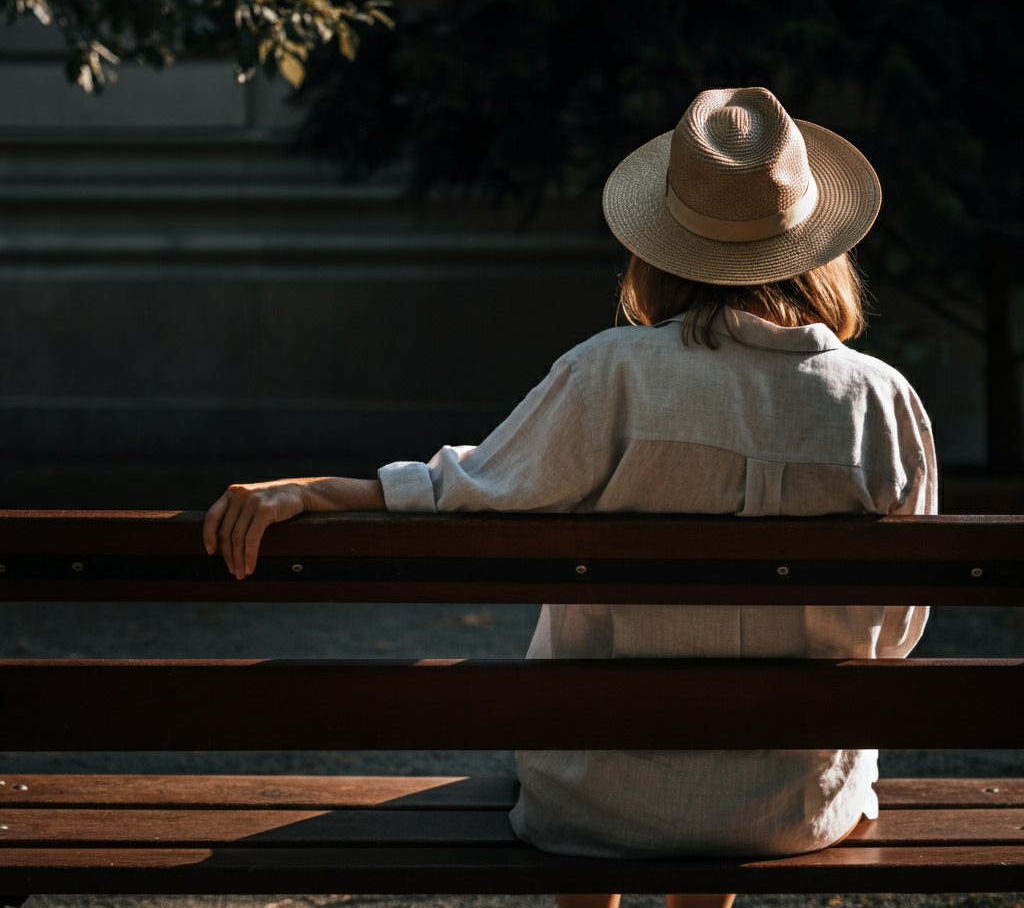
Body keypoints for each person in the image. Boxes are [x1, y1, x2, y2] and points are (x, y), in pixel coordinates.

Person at [204, 87, 937, 908]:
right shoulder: (882, 401)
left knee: (607, 755)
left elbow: (468, 488)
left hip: (604, 799)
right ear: (814, 245)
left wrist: (310, 491)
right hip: (799, 802)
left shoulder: (610, 373)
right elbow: (899, 627)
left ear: (660, 246)